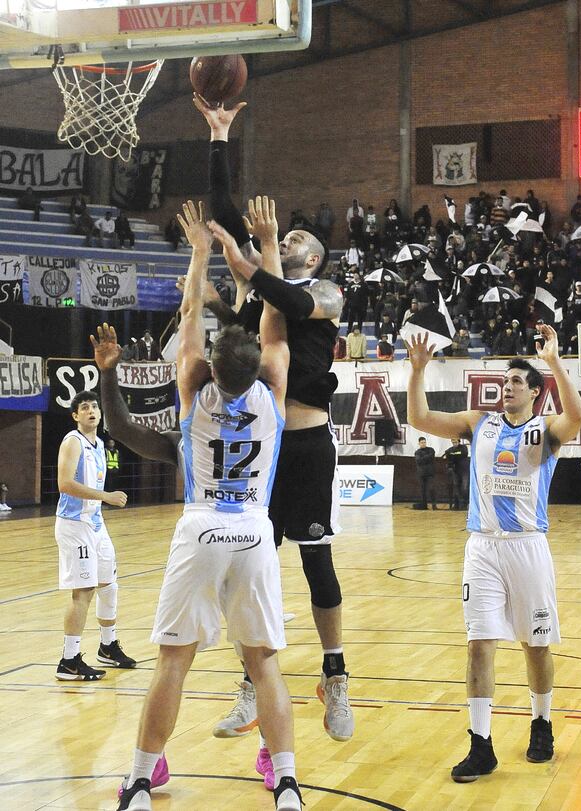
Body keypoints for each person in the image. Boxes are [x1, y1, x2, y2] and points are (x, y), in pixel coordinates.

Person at [114, 200, 302, 811]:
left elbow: (192, 311)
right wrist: (267, 245)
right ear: (255, 370)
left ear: (213, 367)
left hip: (199, 528)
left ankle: (143, 778)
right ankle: (288, 782)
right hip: (252, 530)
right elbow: (274, 317)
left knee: (174, 663)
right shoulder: (272, 385)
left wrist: (198, 252)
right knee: (263, 664)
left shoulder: (194, 386)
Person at [191, 97, 354, 748]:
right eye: (283, 236)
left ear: (314, 254)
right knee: (246, 568)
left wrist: (257, 258)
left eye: (294, 239)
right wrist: (220, 138)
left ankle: (334, 674)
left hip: (309, 443)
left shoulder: (328, 294)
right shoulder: (264, 286)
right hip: (262, 444)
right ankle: (248, 685)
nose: (286, 239)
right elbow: (220, 215)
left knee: (318, 567)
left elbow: (284, 295)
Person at [406, 324, 581, 779]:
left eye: (516, 382)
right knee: (478, 644)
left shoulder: (546, 430)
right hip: (482, 546)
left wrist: (554, 362)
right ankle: (481, 743)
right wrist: (417, 372)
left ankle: (541, 723)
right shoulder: (477, 423)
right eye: (504, 382)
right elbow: (420, 419)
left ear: (534, 394)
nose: (506, 388)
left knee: (536, 645)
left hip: (528, 545)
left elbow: (578, 416)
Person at [54, 390, 135, 681]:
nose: (91, 411)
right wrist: (106, 497)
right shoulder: (72, 441)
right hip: (75, 526)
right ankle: (68, 660)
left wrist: (102, 503)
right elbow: (64, 484)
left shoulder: (99, 443)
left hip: (95, 524)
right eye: (84, 407)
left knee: (109, 585)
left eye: (94, 407)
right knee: (83, 592)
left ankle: (107, 645)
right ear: (76, 415)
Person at [443, 438, 469, 510]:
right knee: (457, 488)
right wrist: (452, 455)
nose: (454, 444)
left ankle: (465, 504)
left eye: (455, 442)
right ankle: (457, 504)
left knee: (465, 487)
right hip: (456, 470)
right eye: (453, 442)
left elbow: (463, 454)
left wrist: (453, 454)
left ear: (459, 441)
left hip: (464, 470)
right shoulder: (450, 449)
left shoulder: (463, 447)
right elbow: (445, 456)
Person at [413, 436, 437, 510]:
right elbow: (418, 461)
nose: (423, 444)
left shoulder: (431, 450)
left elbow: (431, 456)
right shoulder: (417, 452)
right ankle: (424, 505)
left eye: (424, 442)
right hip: (421, 474)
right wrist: (427, 458)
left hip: (430, 473)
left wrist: (423, 458)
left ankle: (434, 505)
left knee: (431, 489)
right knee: (422, 490)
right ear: (419, 443)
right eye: (422, 443)